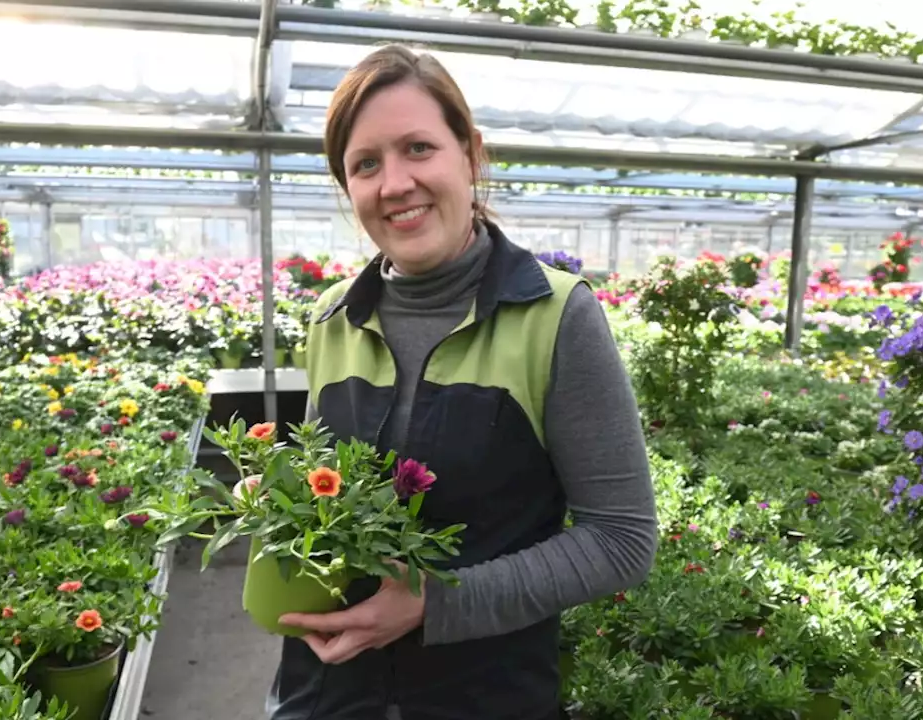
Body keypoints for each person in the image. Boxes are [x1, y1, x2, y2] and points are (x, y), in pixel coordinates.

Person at [266, 43, 658, 720]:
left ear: (470, 154)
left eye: (418, 148)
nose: (394, 184)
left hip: (483, 697)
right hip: (325, 694)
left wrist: (432, 602)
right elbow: (326, 497)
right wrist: (277, 496)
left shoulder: (555, 317)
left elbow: (620, 539)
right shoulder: (333, 318)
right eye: (365, 164)